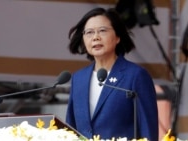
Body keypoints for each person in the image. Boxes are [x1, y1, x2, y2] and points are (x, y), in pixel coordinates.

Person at [65, 7, 158, 141]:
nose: (95, 37)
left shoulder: (136, 75)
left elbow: (148, 131)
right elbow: (70, 130)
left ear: (117, 37)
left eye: (102, 31)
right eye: (89, 32)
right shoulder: (78, 78)